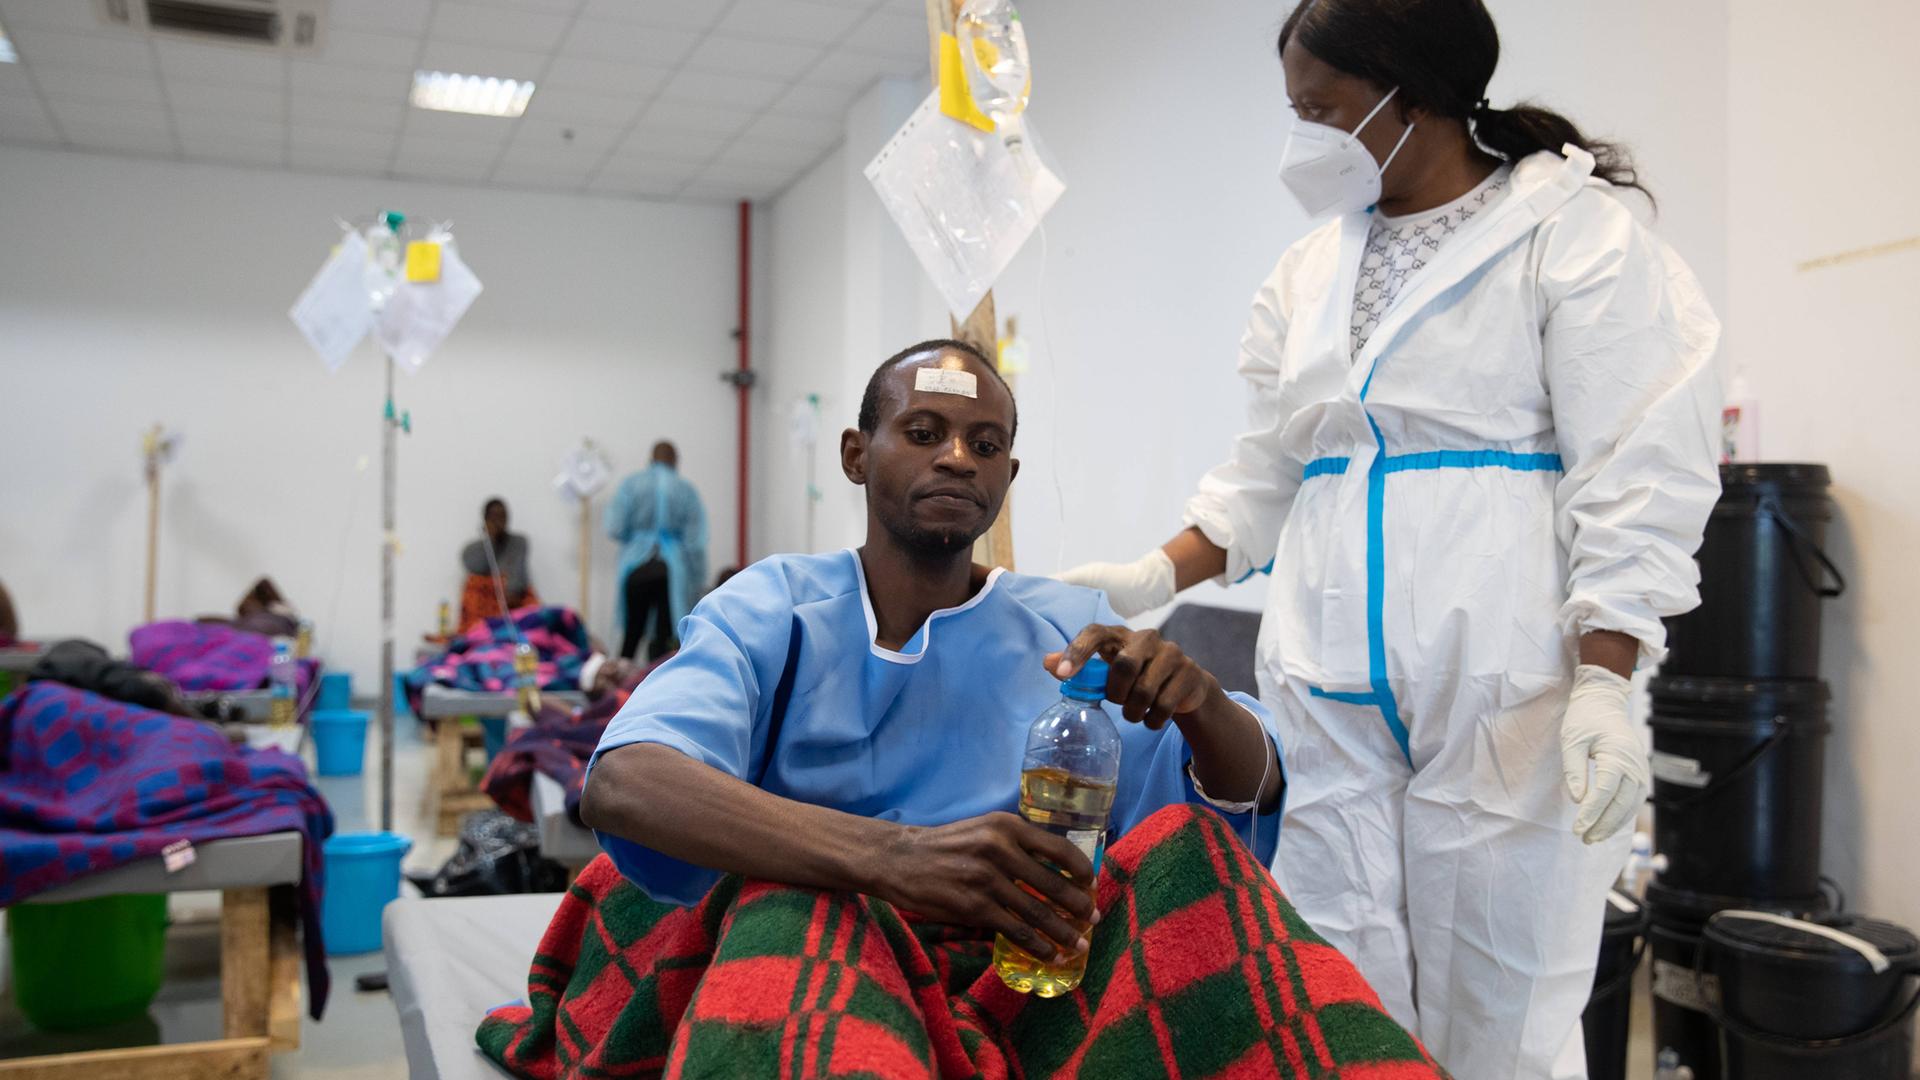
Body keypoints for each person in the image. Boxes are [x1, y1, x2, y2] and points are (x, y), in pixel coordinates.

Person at [1059, 3, 1722, 1076]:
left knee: (1501, 1006)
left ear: (1410, 98)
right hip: (1327, 683)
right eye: (1294, 111)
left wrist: (1606, 674)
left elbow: (1639, 471)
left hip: (1505, 682)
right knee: (1334, 982)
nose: (1303, 139)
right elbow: (1268, 470)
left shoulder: (1573, 236)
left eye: (1321, 110)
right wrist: (1158, 568)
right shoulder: (1309, 272)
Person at [477, 341, 1439, 1078]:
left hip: (1023, 975)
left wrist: (1201, 710)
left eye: (985, 445)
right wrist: (896, 862)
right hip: (816, 946)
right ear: (859, 455)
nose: (956, 459)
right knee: (799, 909)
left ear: (1007, 480)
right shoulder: (773, 608)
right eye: (923, 433)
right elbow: (627, 780)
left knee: (1205, 889)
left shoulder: (1068, 627)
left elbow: (1231, 808)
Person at [605, 441, 707, 661]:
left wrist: (638, 538)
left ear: (651, 458)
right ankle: (659, 682)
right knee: (665, 638)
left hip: (635, 567)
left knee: (632, 633)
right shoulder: (685, 490)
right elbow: (695, 541)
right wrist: (698, 582)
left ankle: (624, 685)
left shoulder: (631, 485)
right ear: (675, 461)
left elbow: (615, 527)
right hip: (671, 570)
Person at [460, 498, 537, 631]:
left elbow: (518, 575)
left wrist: (511, 593)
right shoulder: (471, 550)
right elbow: (476, 567)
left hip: (512, 599)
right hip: (485, 604)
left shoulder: (518, 542)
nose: (499, 520)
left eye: (502, 515)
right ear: (485, 519)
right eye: (494, 516)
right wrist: (490, 539)